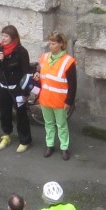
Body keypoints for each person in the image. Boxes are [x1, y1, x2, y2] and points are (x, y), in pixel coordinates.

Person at [34, 32, 76, 160]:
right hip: (46, 98)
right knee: (48, 124)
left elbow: (73, 85)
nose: (50, 46)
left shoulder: (68, 62)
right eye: (50, 43)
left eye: (53, 43)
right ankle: (50, 145)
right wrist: (37, 75)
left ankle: (64, 147)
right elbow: (40, 72)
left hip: (60, 101)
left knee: (61, 125)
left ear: (61, 44)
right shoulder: (45, 57)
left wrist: (69, 101)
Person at [0, 25, 32, 152]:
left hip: (17, 88)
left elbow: (26, 73)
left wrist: (25, 92)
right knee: (5, 112)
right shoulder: (1, 48)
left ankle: (25, 140)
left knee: (21, 114)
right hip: (4, 86)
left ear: (13, 37)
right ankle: (6, 135)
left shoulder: (21, 52)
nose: (3, 38)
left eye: (6, 36)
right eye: (2, 35)